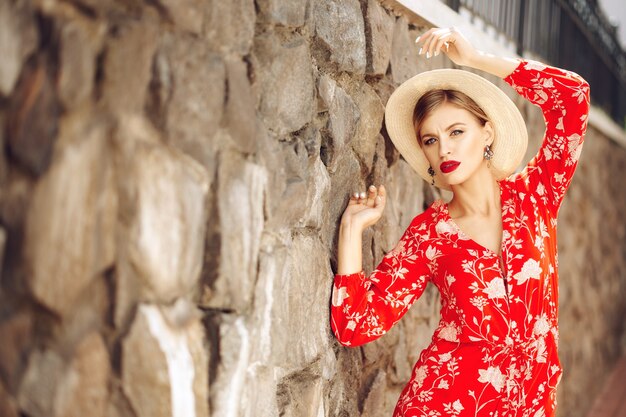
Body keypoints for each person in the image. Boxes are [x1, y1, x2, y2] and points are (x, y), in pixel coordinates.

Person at [330, 27, 590, 416]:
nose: (445, 147)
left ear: (487, 132)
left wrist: (475, 60)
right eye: (430, 140)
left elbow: (573, 98)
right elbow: (356, 325)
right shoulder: (430, 235)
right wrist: (351, 232)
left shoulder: (535, 195)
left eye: (456, 131)